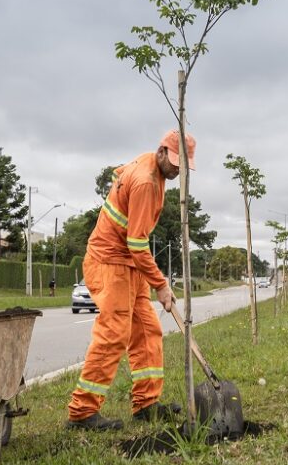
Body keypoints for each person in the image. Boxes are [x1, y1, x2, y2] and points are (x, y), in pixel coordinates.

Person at [67, 129, 196, 431]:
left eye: (184, 165)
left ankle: (146, 404)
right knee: (114, 333)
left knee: (147, 331)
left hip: (128, 263)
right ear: (161, 151)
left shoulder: (152, 168)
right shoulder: (146, 182)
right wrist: (161, 284)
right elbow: (137, 242)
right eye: (175, 161)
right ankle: (82, 412)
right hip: (110, 261)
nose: (178, 169)